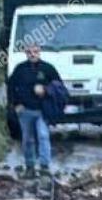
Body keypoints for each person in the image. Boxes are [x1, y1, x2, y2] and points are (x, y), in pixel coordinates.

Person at [7, 43, 61, 177]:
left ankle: (44, 166)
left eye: (35, 52)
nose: (32, 54)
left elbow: (59, 87)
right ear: (26, 53)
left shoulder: (48, 69)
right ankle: (29, 167)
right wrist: (15, 104)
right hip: (25, 110)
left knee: (43, 136)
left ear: (39, 52)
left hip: (42, 110)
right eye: (30, 52)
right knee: (27, 139)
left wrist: (46, 90)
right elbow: (11, 87)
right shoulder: (20, 69)